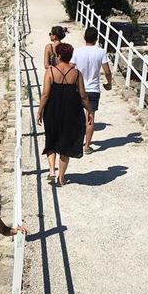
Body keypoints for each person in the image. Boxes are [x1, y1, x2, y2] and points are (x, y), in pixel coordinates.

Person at [37, 42, 94, 186]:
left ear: (59, 56)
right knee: (66, 143)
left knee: (51, 139)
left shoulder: (50, 72)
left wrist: (39, 111)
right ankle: (61, 177)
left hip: (53, 110)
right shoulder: (76, 73)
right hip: (71, 111)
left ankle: (51, 170)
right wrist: (90, 110)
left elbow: (45, 94)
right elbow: (83, 96)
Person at [71, 27, 113, 155]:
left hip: (79, 88)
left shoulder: (77, 51)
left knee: (77, 118)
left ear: (85, 37)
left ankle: (76, 143)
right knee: (90, 118)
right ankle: (87, 146)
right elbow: (107, 71)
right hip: (93, 89)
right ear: (96, 38)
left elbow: (71, 68)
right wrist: (109, 83)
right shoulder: (100, 52)